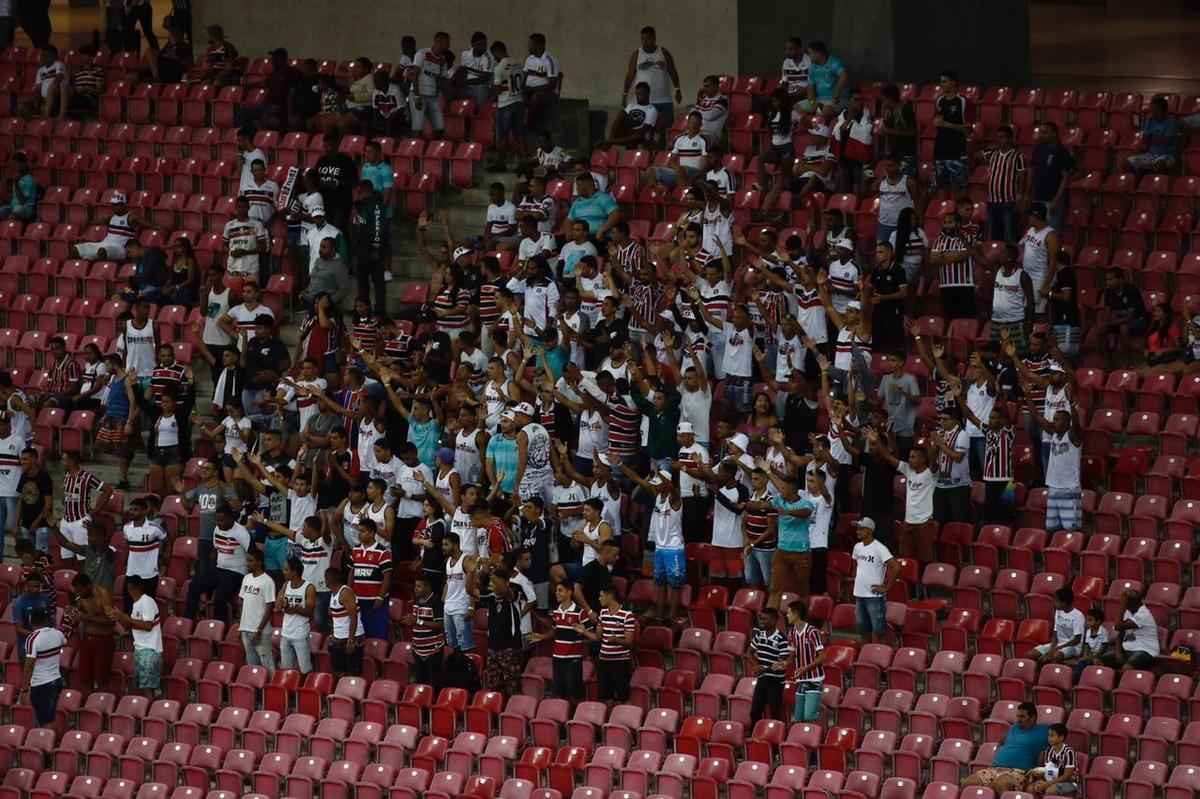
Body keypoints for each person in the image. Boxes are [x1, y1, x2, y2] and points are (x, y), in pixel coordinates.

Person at [866, 427, 935, 564]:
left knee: (925, 560)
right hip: (907, 522)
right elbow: (887, 456)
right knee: (905, 559)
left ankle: (923, 586)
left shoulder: (931, 474)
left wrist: (932, 446)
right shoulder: (908, 470)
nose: (909, 460)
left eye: (913, 457)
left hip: (924, 523)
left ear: (922, 459)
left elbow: (934, 461)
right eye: (909, 457)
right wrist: (877, 442)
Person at [962, 703, 1050, 792]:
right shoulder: (1014, 728)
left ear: (1033, 718)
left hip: (1018, 772)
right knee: (967, 782)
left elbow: (1058, 741)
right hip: (995, 769)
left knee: (1001, 784)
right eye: (1018, 716)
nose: (1018, 719)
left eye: (1022, 716)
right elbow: (1001, 743)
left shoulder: (1044, 731)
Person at [530, 580, 591, 707]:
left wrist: (582, 633)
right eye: (556, 590)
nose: (557, 593)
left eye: (560, 590)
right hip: (557, 658)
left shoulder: (580, 612)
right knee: (559, 693)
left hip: (573, 660)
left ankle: (575, 720)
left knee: (574, 694)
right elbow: (555, 631)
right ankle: (562, 721)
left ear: (569, 592)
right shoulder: (556, 612)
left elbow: (590, 634)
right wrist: (542, 636)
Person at [105, 575, 162, 697]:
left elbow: (148, 626)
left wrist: (124, 617)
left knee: (147, 687)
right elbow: (131, 625)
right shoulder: (136, 604)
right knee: (142, 686)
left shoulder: (146, 601)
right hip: (140, 649)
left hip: (150, 650)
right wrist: (118, 617)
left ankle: (150, 712)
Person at [473, 565, 525, 697]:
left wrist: (493, 579)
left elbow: (505, 591)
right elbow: (470, 590)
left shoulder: (515, 593)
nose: (492, 584)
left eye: (495, 581)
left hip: (510, 648)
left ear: (506, 582)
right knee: (494, 687)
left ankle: (513, 714)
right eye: (491, 581)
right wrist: (471, 572)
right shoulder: (491, 597)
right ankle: (496, 715)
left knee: (512, 686)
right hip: (492, 648)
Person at [623, 26, 681, 131]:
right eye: (643, 39)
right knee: (643, 132)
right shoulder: (637, 54)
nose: (645, 42)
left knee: (665, 130)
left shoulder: (663, 52)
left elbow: (672, 71)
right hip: (643, 102)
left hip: (663, 100)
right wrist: (625, 94)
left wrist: (677, 89)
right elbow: (630, 75)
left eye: (648, 39)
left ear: (654, 38)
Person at [850, 517, 898, 645]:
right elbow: (857, 565)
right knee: (863, 630)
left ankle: (882, 655)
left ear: (869, 530)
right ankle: (867, 654)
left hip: (874, 596)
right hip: (859, 594)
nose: (857, 531)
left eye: (861, 529)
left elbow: (896, 567)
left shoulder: (879, 548)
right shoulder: (857, 547)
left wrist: (886, 587)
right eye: (857, 529)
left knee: (879, 630)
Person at [978, 125, 1027, 244]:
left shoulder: (1018, 156)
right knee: (994, 235)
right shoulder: (992, 153)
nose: (999, 140)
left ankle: (1010, 261)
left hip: (1008, 201)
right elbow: (976, 155)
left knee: (1008, 235)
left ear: (1010, 138)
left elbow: (1022, 177)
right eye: (998, 137)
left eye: (1002, 137)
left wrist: (1020, 195)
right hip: (992, 201)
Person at [21, 607, 64, 727]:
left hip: (41, 685)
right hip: (57, 681)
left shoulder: (32, 639)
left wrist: (24, 689)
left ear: (30, 620)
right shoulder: (58, 634)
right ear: (47, 620)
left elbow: (29, 665)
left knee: (45, 721)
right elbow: (64, 641)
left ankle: (48, 743)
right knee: (51, 718)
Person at [1028, 122, 1074, 231]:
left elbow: (1065, 178)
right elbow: (1032, 170)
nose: (1041, 135)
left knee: (1051, 234)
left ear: (1054, 134)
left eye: (1044, 133)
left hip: (1053, 200)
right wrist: (1028, 192)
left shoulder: (1062, 152)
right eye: (1040, 132)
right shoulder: (1038, 149)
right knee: (1036, 235)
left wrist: (1056, 200)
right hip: (1037, 198)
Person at [1102, 589, 1161, 670]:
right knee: (1099, 662)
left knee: (1126, 668)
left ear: (1130, 603)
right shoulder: (1129, 612)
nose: (1122, 602)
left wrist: (1122, 605)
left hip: (1146, 651)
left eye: (1124, 602)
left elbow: (1118, 626)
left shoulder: (1143, 614)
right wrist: (1118, 653)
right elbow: (1120, 634)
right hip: (1127, 650)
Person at [787, 600, 826, 722]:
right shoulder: (791, 633)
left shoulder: (812, 632)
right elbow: (792, 655)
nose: (787, 615)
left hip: (814, 679)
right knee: (798, 718)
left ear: (796, 613)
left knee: (809, 716)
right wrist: (783, 663)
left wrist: (805, 668)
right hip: (801, 680)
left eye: (789, 613)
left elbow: (822, 657)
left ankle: (819, 721)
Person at [403, 574, 445, 687]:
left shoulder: (436, 603)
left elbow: (441, 625)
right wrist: (409, 621)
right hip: (418, 651)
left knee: (433, 686)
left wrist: (418, 621)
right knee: (420, 685)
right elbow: (415, 622)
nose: (415, 589)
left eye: (418, 586)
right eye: (415, 586)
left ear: (427, 587)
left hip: (433, 651)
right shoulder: (417, 602)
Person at [749, 607, 789, 723]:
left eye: (765, 619)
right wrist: (756, 665)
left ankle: (776, 736)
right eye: (761, 619)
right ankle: (754, 734)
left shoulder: (782, 639)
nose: (761, 621)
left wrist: (764, 670)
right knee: (755, 711)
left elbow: (781, 663)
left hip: (776, 682)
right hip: (762, 679)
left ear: (774, 620)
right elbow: (749, 653)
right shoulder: (759, 635)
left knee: (774, 712)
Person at [277, 556, 315, 674]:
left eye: (286, 569)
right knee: (286, 670)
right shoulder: (285, 585)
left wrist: (292, 608)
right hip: (285, 634)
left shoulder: (308, 588)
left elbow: (309, 612)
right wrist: (283, 605)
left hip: (301, 635)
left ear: (294, 572)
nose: (283, 572)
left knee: (305, 669)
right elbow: (278, 605)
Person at [1124, 94, 1180, 174]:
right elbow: (1145, 139)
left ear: (1164, 110)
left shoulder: (1171, 122)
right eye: (1152, 110)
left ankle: (1155, 185)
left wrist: (1151, 138)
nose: (1153, 112)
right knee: (1127, 163)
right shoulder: (1150, 120)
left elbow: (1167, 141)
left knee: (1159, 164)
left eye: (1156, 110)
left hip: (1167, 155)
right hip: (1151, 154)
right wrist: (1155, 139)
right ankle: (1137, 184)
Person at [325, 566, 363, 678]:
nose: (325, 580)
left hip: (351, 638)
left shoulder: (345, 592)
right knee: (338, 671)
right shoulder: (333, 594)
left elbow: (354, 617)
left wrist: (351, 640)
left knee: (352, 672)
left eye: (326, 578)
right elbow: (335, 619)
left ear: (330, 579)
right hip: (338, 637)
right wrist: (332, 634)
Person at [1033, 588, 1085, 665]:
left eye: (1056, 601)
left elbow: (1076, 640)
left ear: (1064, 603)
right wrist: (1051, 648)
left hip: (1073, 647)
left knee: (1056, 656)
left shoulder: (1078, 616)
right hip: (1058, 645)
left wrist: (1057, 649)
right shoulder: (1058, 611)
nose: (1054, 603)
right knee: (1032, 654)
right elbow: (1055, 632)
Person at [1025, 723, 1078, 796]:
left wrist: (1047, 784)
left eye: (1052, 735)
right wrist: (1039, 776)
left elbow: (1067, 776)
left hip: (1070, 783)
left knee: (1050, 791)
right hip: (1051, 780)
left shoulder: (1069, 752)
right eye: (1048, 735)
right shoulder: (1048, 751)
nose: (1049, 738)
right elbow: (1048, 770)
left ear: (1061, 737)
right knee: (1030, 788)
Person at [443, 532, 475, 651]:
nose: (443, 547)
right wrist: (444, 602)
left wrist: (472, 607)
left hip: (461, 609)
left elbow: (473, 585)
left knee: (466, 647)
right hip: (448, 608)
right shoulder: (448, 561)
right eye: (443, 544)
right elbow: (448, 583)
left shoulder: (466, 560)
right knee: (451, 646)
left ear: (456, 545)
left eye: (446, 544)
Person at [805, 41, 847, 110]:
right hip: (820, 100)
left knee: (826, 109)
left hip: (838, 99)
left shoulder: (834, 62)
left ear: (818, 53)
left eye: (810, 53)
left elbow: (844, 76)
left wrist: (835, 95)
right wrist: (812, 103)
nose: (808, 56)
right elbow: (810, 87)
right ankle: (807, 118)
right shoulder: (812, 67)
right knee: (796, 107)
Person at [0, 152, 37, 221]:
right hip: (13, 207)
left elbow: (23, 201)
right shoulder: (17, 178)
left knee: (13, 215)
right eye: (14, 164)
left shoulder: (29, 180)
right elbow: (14, 199)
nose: (15, 166)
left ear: (24, 163)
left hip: (26, 208)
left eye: (17, 164)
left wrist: (16, 184)